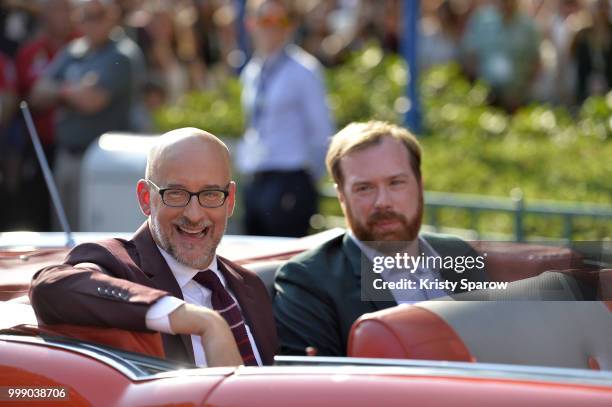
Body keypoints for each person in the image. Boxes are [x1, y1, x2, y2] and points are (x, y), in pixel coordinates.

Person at [30, 128, 277, 367]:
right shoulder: (116, 264)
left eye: (211, 194)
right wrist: (199, 320)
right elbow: (50, 286)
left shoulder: (250, 286)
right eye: (176, 193)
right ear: (146, 198)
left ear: (230, 200)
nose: (194, 214)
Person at [273, 121, 488, 356]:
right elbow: (313, 385)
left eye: (396, 183)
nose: (382, 201)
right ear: (341, 196)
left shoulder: (459, 253)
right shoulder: (307, 281)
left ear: (420, 185)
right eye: (364, 188)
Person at [30, 0, 144, 230]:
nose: (91, 23)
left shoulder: (122, 53)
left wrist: (61, 90)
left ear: (112, 17)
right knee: (62, 229)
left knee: (93, 234)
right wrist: (73, 89)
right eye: (85, 16)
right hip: (66, 156)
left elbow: (92, 101)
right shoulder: (73, 50)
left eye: (98, 15)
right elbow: (37, 93)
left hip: (102, 161)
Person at [238, 0, 334, 237]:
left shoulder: (304, 70)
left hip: (291, 178)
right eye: (265, 20)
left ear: (290, 26)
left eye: (280, 21)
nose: (273, 28)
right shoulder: (252, 71)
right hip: (257, 179)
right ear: (251, 23)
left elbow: (321, 130)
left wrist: (308, 181)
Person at [8, 0, 79, 231]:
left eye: (66, 8)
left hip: (77, 146)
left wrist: (56, 93)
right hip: (40, 145)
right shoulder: (29, 52)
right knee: (38, 212)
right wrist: (67, 93)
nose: (62, 15)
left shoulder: (85, 47)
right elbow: (26, 98)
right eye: (55, 8)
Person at [461, 0, 540, 111]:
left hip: (517, 99)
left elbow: (536, 62)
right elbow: (470, 56)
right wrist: (477, 89)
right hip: (485, 97)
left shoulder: (528, 26)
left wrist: (522, 92)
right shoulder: (481, 20)